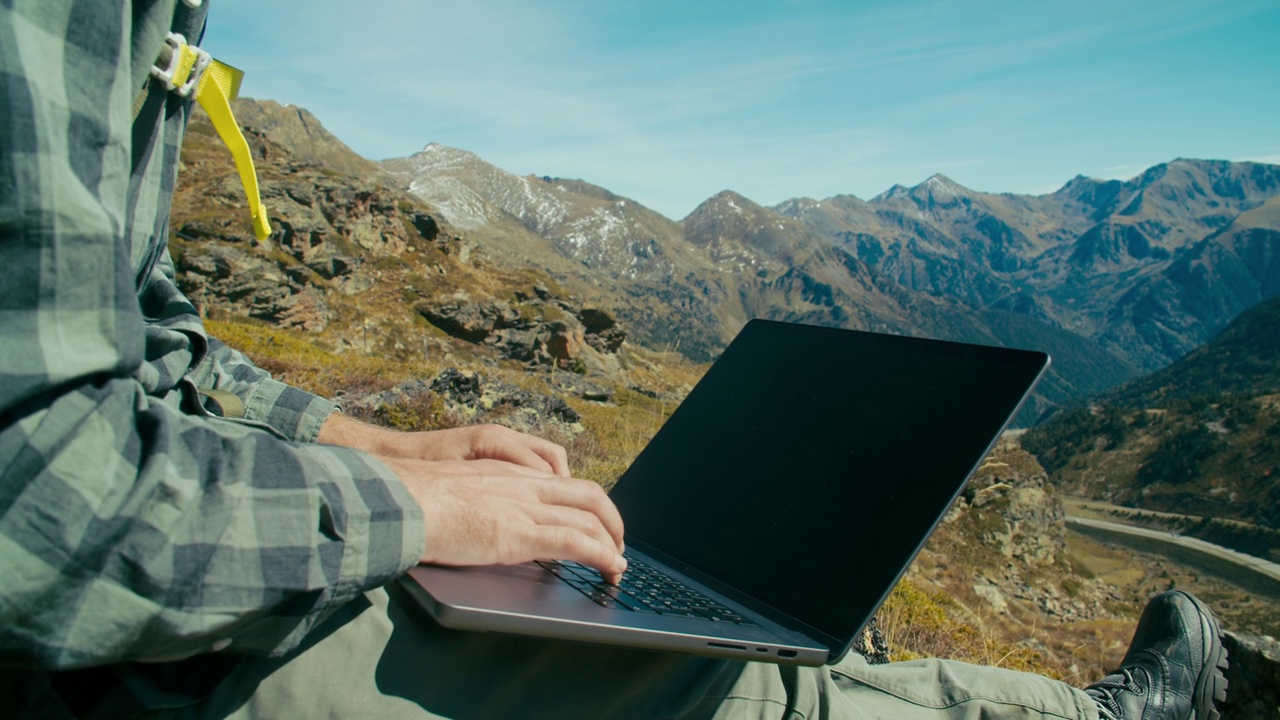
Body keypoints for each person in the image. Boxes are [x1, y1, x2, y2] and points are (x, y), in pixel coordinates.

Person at [0, 2, 1228, 718]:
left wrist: (362, 442)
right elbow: (37, 505)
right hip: (80, 655)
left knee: (627, 609)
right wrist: (402, 506)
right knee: (717, 688)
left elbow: (151, 338)